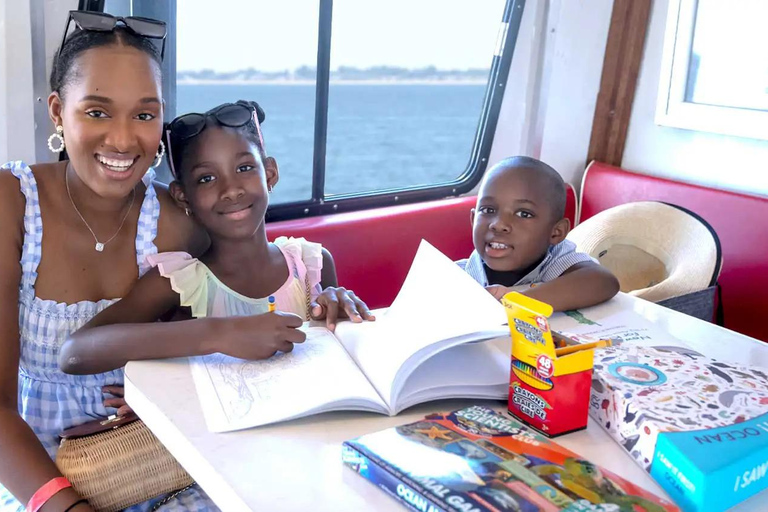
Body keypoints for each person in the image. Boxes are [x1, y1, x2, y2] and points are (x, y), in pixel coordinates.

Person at [0, 11, 218, 511]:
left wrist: (160, 403)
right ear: (58, 111)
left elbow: (211, 352)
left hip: (150, 464)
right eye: (97, 112)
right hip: (35, 475)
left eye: (144, 115)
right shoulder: (12, 203)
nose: (123, 141)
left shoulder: (181, 223)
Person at [60, 100, 374, 376]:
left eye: (245, 168)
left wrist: (340, 314)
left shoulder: (311, 265)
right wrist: (218, 333)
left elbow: (334, 357)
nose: (231, 189)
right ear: (183, 197)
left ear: (270, 174)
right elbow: (75, 353)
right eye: (207, 178)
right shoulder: (182, 283)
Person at [458, 156, 619, 311]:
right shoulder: (455, 275)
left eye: (524, 214)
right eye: (488, 210)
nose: (498, 224)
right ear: (473, 220)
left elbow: (604, 281)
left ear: (556, 233)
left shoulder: (555, 259)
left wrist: (518, 301)